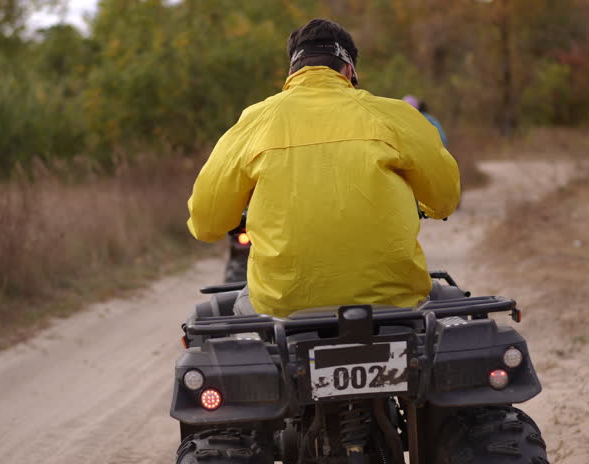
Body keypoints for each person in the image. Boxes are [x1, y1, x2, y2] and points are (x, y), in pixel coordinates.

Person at [186, 19, 460, 317]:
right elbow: (444, 201)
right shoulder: (396, 116)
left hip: (284, 307)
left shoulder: (255, 121)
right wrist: (424, 206)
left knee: (239, 307)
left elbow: (206, 223)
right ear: (350, 71)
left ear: (293, 72)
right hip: (393, 302)